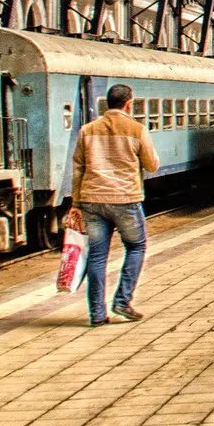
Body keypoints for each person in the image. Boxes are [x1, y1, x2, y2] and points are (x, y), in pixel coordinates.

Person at [66, 83, 159, 327]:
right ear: (129, 103)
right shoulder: (136, 129)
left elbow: (78, 169)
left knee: (97, 257)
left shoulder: (87, 130)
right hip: (125, 199)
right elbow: (152, 165)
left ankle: (97, 314)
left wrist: (76, 202)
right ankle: (122, 300)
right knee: (136, 247)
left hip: (92, 201)